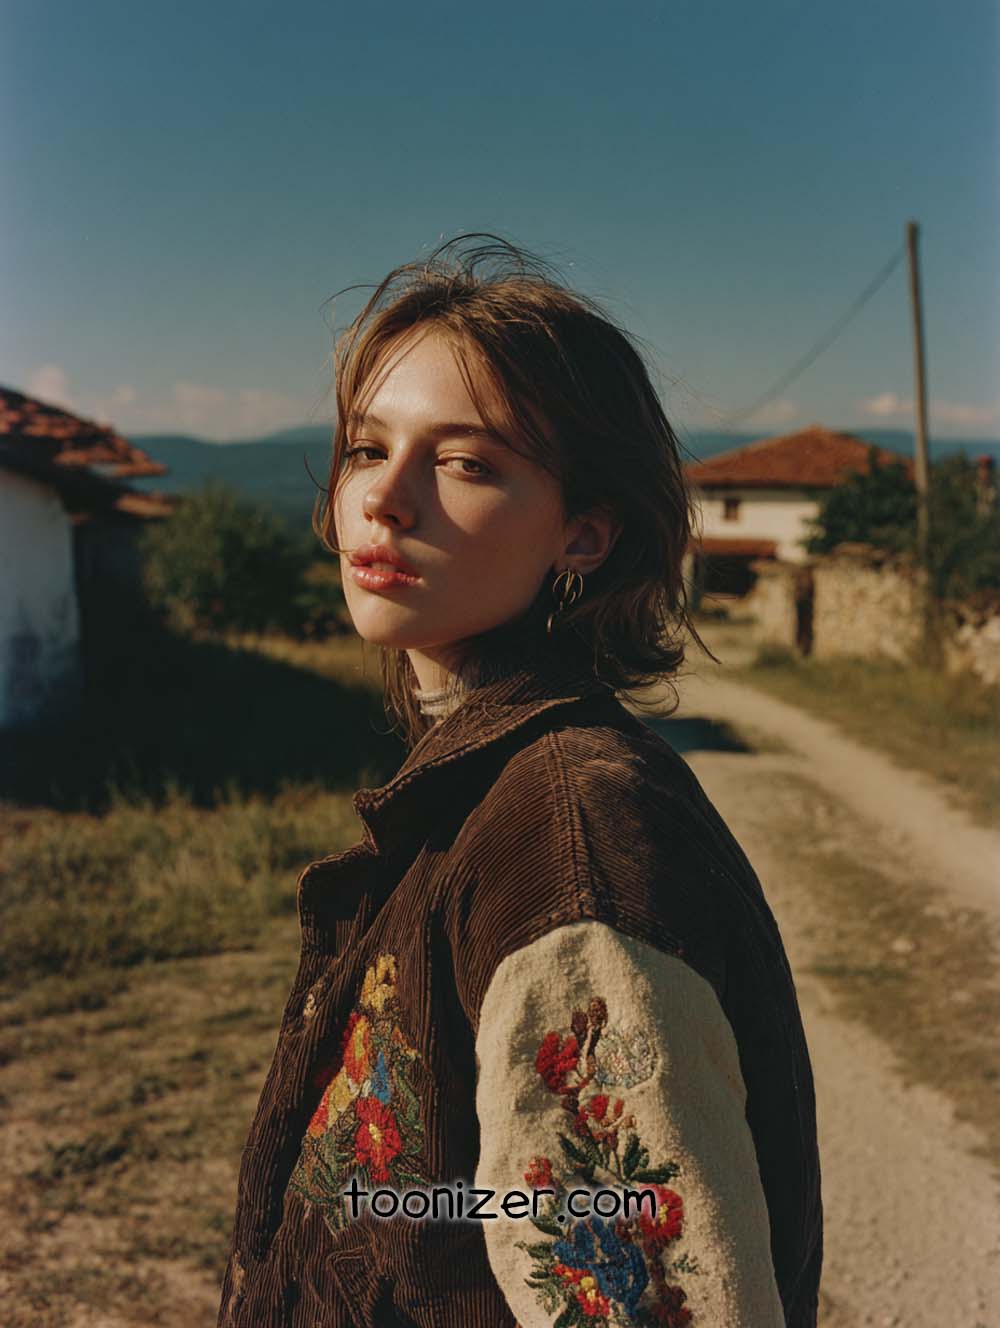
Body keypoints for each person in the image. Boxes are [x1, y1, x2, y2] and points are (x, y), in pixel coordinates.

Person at [217, 236, 822, 1327]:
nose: (384, 500)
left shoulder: (569, 828)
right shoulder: (476, 783)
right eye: (366, 448)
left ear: (583, 533)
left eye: (465, 463)